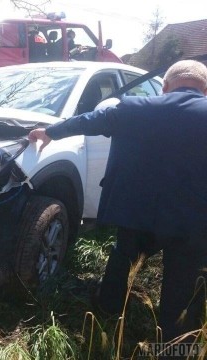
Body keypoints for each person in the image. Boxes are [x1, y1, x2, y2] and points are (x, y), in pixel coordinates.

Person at [27, 60, 207, 346]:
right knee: (182, 288)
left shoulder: (134, 108)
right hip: (193, 222)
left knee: (124, 257)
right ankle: (176, 347)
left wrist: (50, 132)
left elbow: (89, 120)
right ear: (205, 90)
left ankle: (108, 308)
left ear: (165, 87)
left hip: (136, 212)